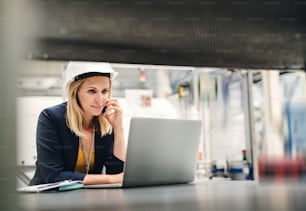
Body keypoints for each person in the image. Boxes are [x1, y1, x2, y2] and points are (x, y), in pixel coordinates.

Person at [29, 61, 126, 185]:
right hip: (47, 197)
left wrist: (118, 127)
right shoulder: (51, 118)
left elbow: (117, 170)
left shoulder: (104, 123)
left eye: (104, 91)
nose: (100, 99)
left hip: (85, 199)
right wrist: (111, 179)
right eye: (92, 91)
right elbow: (53, 175)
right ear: (75, 92)